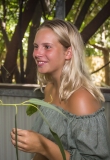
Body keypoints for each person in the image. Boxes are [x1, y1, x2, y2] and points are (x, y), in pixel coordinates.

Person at [10, 19, 110, 160]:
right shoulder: (50, 89)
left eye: (47, 47)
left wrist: (42, 145)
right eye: (36, 46)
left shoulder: (81, 98)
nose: (37, 53)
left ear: (68, 53)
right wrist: (40, 147)